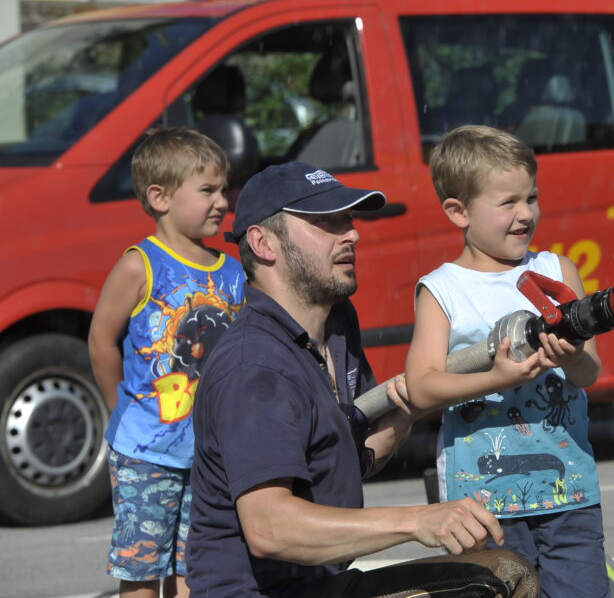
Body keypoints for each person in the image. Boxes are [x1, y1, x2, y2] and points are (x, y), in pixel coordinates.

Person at [186, 161, 539, 598]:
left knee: (504, 572)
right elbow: (269, 527)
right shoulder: (254, 367)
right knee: (494, 581)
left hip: (322, 584)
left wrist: (403, 420)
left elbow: (341, 461)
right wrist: (417, 520)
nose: (351, 233)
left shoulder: (335, 324)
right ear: (263, 243)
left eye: (348, 219)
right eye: (325, 223)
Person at [404, 125, 609, 598]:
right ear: (458, 211)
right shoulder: (443, 290)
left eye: (531, 198)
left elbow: (590, 373)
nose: (525, 214)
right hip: (482, 504)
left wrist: (573, 356)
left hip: (570, 492)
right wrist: (495, 377)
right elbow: (421, 386)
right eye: (508, 203)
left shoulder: (558, 271)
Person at [88, 127, 246, 598]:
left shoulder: (233, 271)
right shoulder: (141, 264)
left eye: (223, 189)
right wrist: (121, 408)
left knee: (191, 568)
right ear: (159, 197)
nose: (221, 200)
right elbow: (100, 341)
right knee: (140, 570)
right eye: (207, 190)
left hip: (209, 453)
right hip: (144, 451)